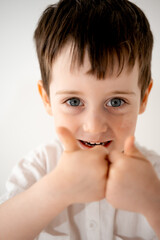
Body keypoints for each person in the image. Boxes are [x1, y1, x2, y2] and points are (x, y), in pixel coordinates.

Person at [0, 0, 160, 239]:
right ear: (46, 98)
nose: (94, 126)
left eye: (115, 102)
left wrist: (152, 203)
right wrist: (56, 190)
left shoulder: (154, 176)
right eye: (74, 102)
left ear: (144, 97)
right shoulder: (39, 167)